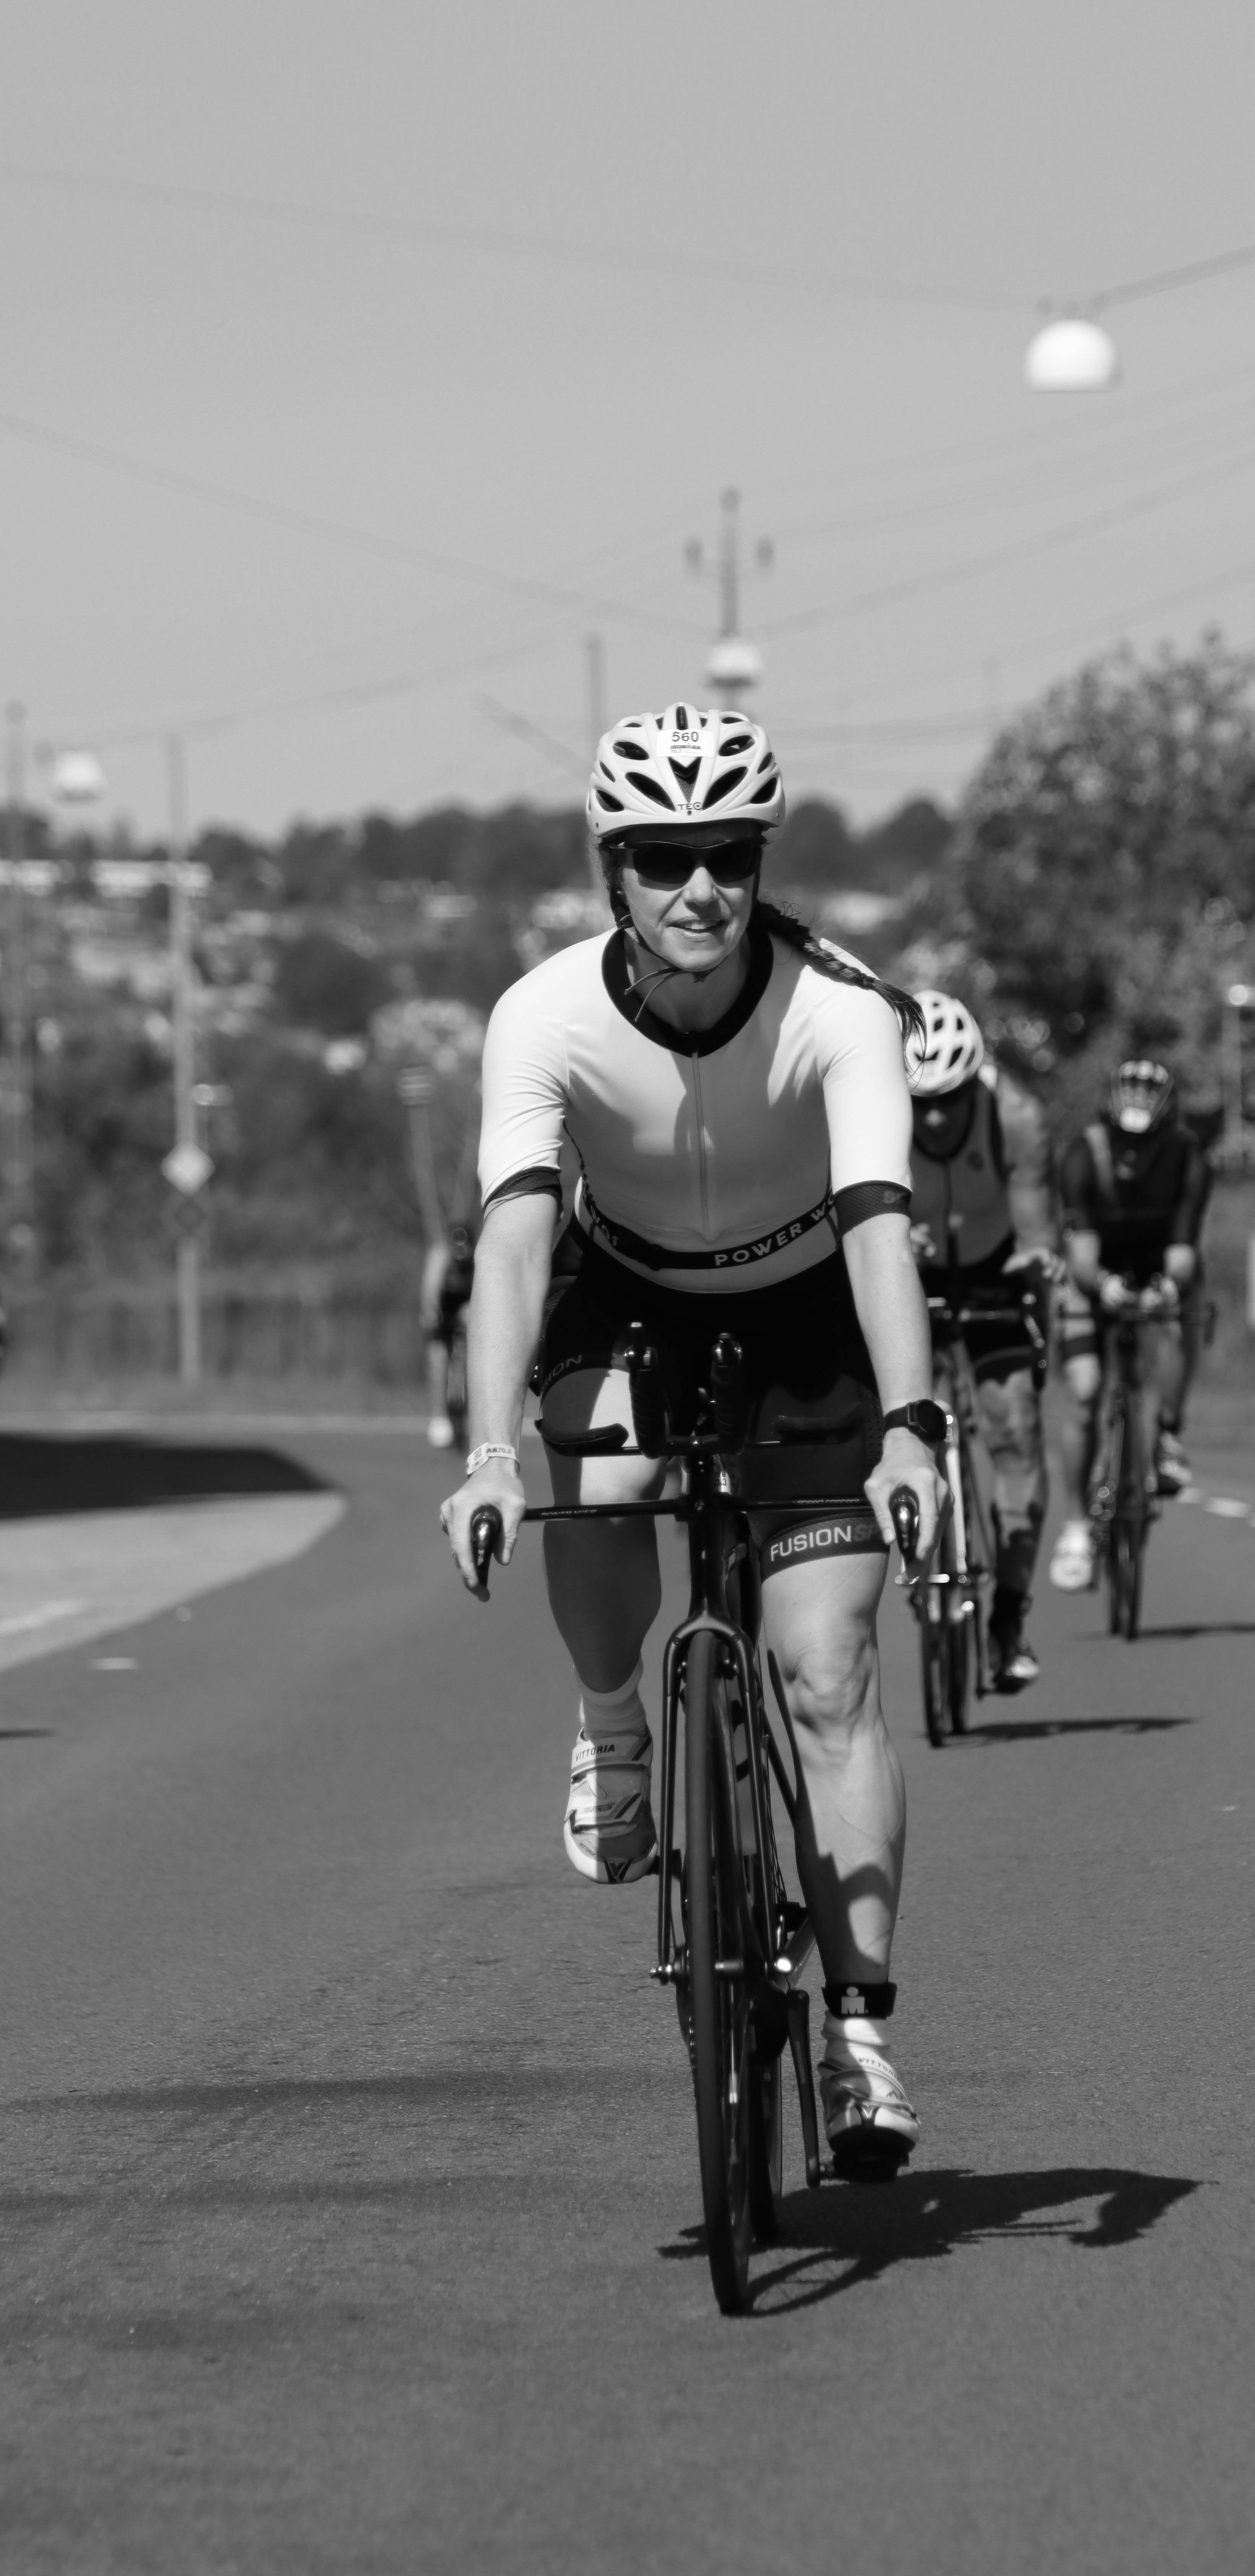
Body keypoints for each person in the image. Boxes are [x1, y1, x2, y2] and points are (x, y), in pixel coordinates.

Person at [438, 704, 944, 2182]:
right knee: (591, 1471)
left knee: (828, 1667)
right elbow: (517, 1244)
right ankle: (613, 1729)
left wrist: (909, 1428)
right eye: (662, 857)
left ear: (757, 858)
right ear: (616, 868)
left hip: (808, 1316)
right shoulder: (541, 1015)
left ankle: (855, 2034)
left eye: (725, 853)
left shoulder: (843, 1009)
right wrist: (484, 1451)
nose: (697, 887)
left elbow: (876, 1230)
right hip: (625, 1293)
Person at [906, 990, 1058, 1692]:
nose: (934, 1116)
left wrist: (1035, 1261)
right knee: (911, 1426)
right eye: (921, 1102)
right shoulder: (874, 1112)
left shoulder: (1016, 1118)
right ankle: (921, 1560)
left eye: (950, 1098)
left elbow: (1034, 1226)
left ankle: (1009, 1619)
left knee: (1016, 1429)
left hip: (997, 1274)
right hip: (914, 1274)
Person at [1047, 1057, 1215, 1592]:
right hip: (1093, 1270)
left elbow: (1185, 1250)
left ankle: (1166, 1430)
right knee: (1085, 1391)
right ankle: (1076, 1526)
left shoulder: (1188, 1157)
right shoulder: (1084, 1154)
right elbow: (1080, 1255)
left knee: (1182, 1310)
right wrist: (1104, 1287)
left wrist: (1167, 1286)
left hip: (1158, 1263)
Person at [420, 1221, 477, 1448]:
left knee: (468, 1358)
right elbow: (430, 1290)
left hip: (465, 1305)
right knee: (438, 1359)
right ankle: (439, 1417)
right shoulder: (440, 1256)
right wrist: (432, 1315)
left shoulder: (478, 1257)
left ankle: (468, 1413)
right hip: (442, 1306)